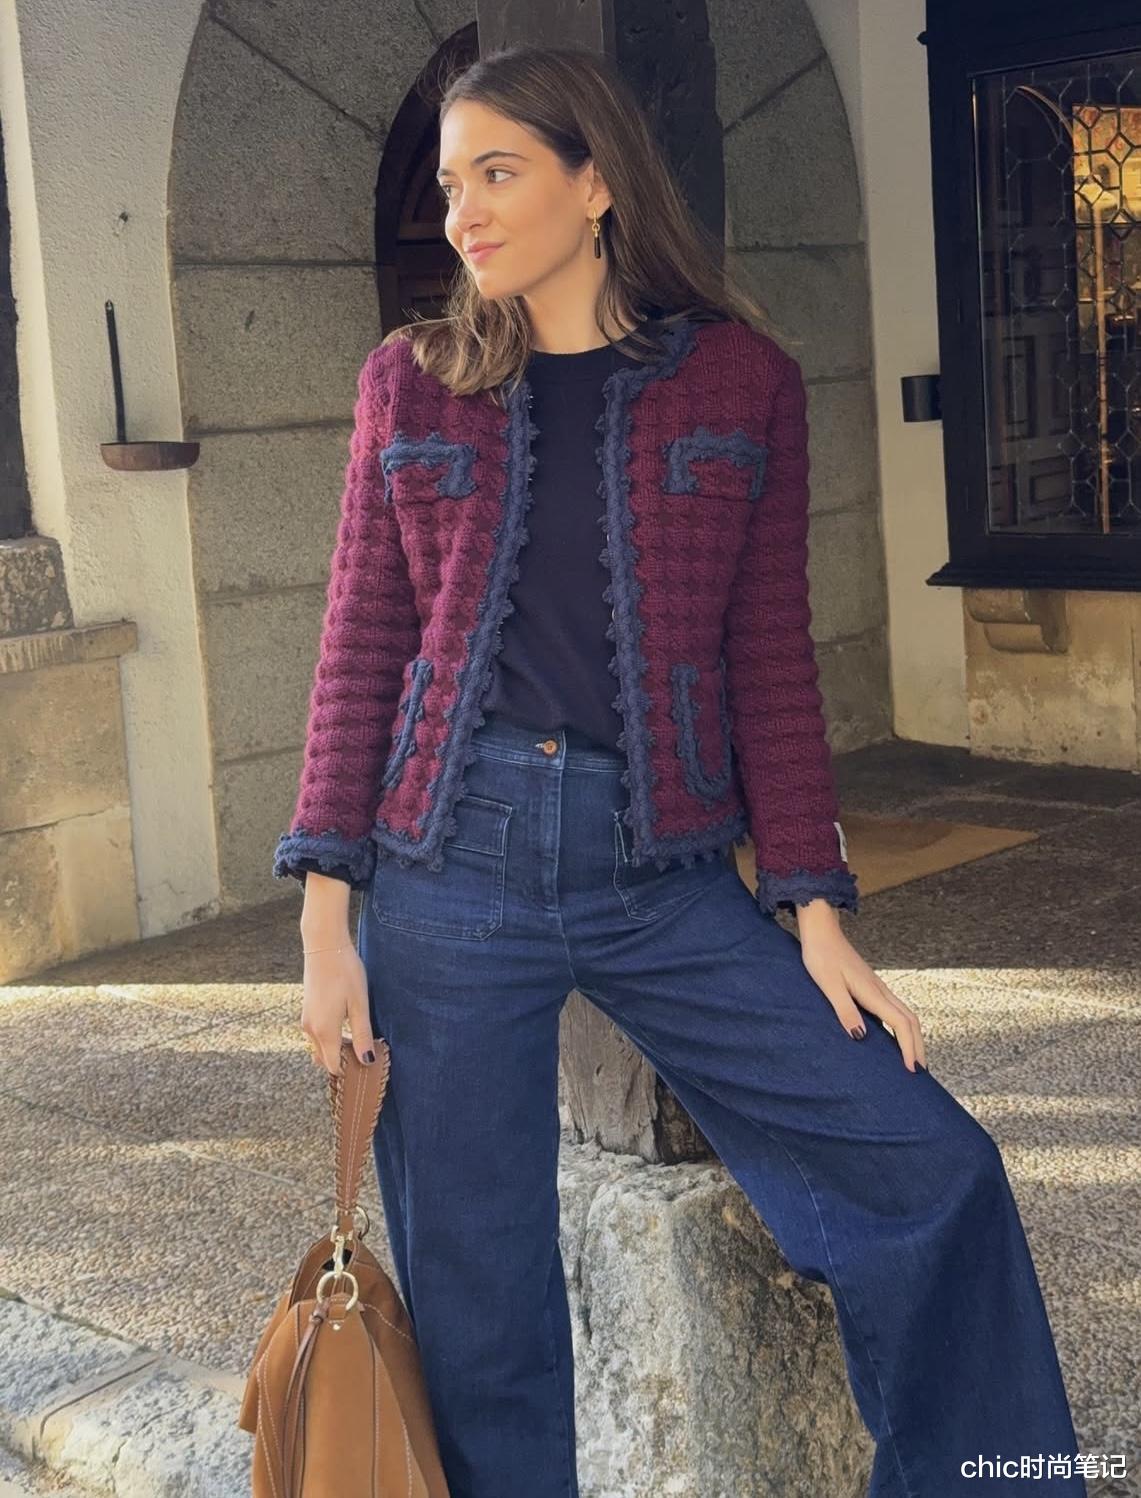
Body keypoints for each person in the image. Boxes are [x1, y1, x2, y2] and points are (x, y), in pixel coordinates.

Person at [272, 43, 1087, 1498]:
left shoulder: (740, 380)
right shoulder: (411, 384)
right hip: (447, 868)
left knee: (930, 1166)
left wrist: (816, 908)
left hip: (658, 871)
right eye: (451, 184)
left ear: (596, 184)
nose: (465, 212)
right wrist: (326, 921)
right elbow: (359, 649)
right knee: (479, 1309)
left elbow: (769, 658)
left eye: (499, 173)